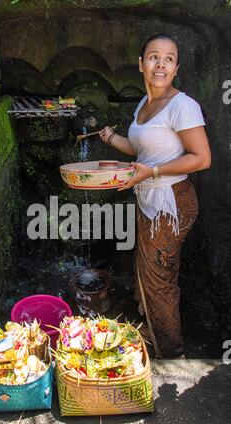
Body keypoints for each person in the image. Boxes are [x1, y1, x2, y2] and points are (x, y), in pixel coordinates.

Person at [99, 33, 211, 358]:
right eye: (153, 57)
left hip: (171, 204)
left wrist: (153, 172)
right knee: (147, 272)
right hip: (151, 201)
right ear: (141, 64)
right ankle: (153, 331)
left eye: (169, 59)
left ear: (176, 68)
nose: (160, 64)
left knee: (159, 278)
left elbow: (202, 158)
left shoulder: (183, 105)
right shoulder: (145, 104)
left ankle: (171, 354)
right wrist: (112, 139)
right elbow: (142, 149)